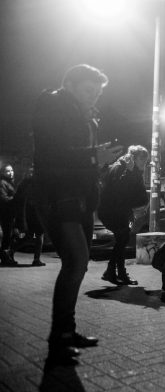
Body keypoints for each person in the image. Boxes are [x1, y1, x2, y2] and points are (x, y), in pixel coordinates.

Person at [31, 64, 122, 365]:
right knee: (76, 262)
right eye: (87, 90)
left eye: (97, 92)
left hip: (80, 198)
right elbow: (51, 154)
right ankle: (59, 340)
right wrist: (95, 156)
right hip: (58, 195)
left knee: (78, 265)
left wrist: (96, 161)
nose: (93, 96)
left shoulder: (88, 117)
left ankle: (67, 332)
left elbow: (81, 160)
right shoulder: (53, 104)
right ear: (69, 84)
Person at [97, 145, 149, 285]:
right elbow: (118, 189)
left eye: (146, 159)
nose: (144, 162)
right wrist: (130, 171)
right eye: (142, 159)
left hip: (120, 210)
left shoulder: (134, 171)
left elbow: (139, 194)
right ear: (132, 157)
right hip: (110, 210)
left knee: (122, 239)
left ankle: (115, 273)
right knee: (123, 238)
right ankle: (115, 272)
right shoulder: (120, 167)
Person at [14, 166, 46, 266]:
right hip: (34, 214)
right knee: (38, 236)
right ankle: (36, 259)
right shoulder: (33, 184)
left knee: (30, 236)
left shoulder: (24, 183)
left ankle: (10, 251)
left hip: (30, 214)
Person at [0, 164, 19, 266]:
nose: (11, 172)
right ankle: (5, 258)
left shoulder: (9, 183)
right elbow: (3, 199)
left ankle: (7, 257)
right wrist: (15, 199)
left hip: (11, 214)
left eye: (12, 170)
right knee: (8, 237)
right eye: (7, 171)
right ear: (2, 173)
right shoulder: (2, 183)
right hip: (6, 214)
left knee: (11, 237)